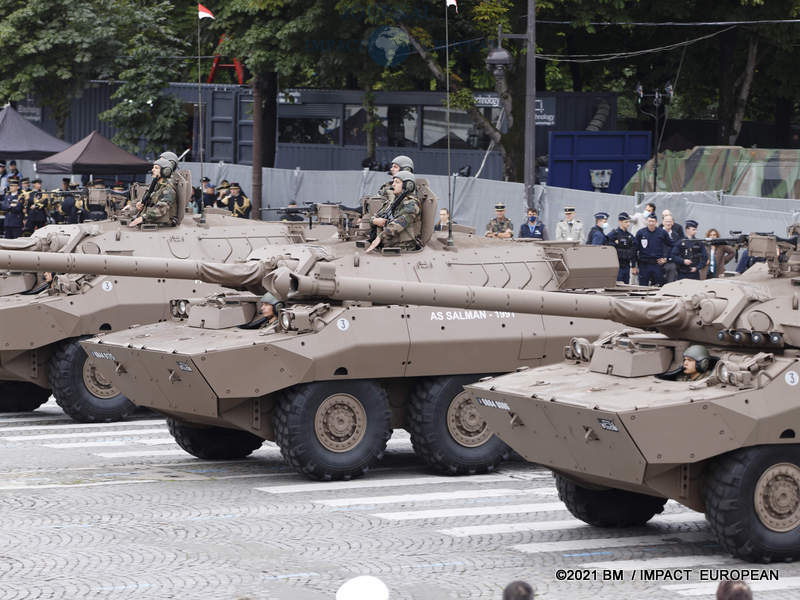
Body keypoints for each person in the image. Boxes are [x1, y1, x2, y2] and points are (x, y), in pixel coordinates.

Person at [367, 170, 421, 252]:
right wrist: (374, 221)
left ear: (408, 185)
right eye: (393, 182)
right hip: (387, 247)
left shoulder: (412, 204)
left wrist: (380, 237)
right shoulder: (392, 203)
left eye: (397, 182)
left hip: (403, 249)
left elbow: (397, 225)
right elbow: (375, 216)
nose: (393, 184)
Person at [128, 158, 178, 227]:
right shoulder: (157, 186)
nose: (152, 170)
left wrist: (143, 218)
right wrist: (141, 203)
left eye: (156, 168)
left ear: (165, 171)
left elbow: (161, 209)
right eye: (153, 167)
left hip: (161, 226)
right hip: (152, 223)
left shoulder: (168, 189)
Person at [635, 214, 672, 286]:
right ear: (646, 221)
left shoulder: (662, 233)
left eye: (653, 221)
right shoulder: (641, 233)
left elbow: (672, 246)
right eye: (649, 221)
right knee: (643, 287)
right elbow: (634, 249)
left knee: (658, 286)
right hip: (644, 264)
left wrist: (666, 258)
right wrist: (634, 265)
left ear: (656, 222)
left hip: (657, 264)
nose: (651, 223)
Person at [607, 212, 637, 283]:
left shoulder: (630, 236)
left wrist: (633, 266)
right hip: (617, 266)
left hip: (626, 266)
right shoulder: (614, 234)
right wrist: (614, 243)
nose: (628, 224)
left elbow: (633, 251)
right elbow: (607, 247)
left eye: (629, 222)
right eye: (626, 222)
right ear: (620, 222)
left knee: (626, 285)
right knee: (618, 285)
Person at [661, 214, 683, 282]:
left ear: (673, 223)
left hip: (671, 263)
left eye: (670, 221)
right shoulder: (657, 233)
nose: (668, 223)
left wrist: (667, 259)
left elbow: (677, 250)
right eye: (666, 221)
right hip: (658, 262)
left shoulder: (676, 235)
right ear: (663, 222)